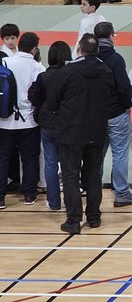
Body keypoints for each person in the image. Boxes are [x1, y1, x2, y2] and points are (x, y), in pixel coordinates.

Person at [44, 34, 114, 234]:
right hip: (97, 130)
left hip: (72, 131)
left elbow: (53, 99)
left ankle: (74, 220)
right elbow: (111, 96)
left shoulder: (68, 71)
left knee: (70, 175)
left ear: (79, 49)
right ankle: (94, 217)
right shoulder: (106, 70)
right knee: (93, 175)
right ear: (97, 50)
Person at [92, 22, 132, 208]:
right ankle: (121, 192)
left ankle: (93, 189)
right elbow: (123, 86)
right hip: (116, 113)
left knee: (97, 155)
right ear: (112, 36)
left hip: (96, 115)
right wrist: (128, 105)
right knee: (120, 153)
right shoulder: (115, 59)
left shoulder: (90, 58)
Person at [0, 31, 44, 209]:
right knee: (29, 158)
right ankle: (29, 194)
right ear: (34, 49)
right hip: (28, 121)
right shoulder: (37, 67)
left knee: (2, 158)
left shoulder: (5, 62)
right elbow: (40, 95)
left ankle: (0, 197)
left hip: (4, 120)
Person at [27, 40, 71, 212]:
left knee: (51, 164)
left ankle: (53, 202)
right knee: (68, 165)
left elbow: (36, 100)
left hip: (48, 124)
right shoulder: (71, 75)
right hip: (67, 125)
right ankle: (70, 200)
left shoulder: (43, 76)